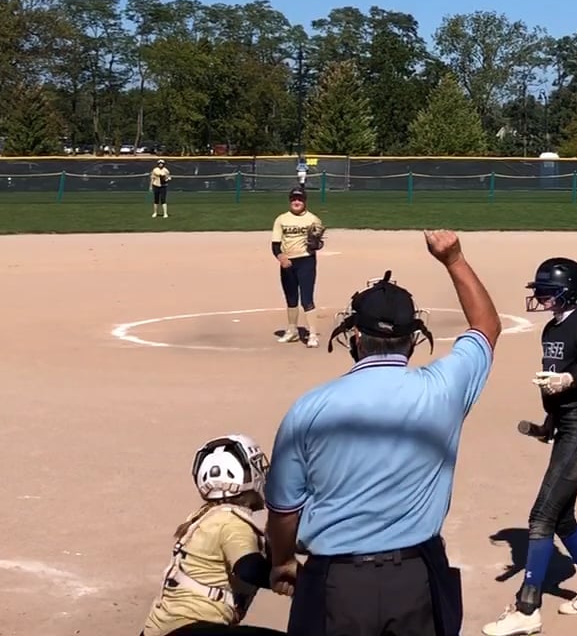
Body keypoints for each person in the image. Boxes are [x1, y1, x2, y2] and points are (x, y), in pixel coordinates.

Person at [263, 230, 501, 636]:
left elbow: (284, 511)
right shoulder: (442, 389)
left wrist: (282, 561)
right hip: (416, 580)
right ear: (413, 339)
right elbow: (486, 327)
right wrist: (454, 259)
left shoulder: (309, 408)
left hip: (335, 584)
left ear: (355, 336)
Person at [483, 258, 577, 636]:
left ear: (568, 293)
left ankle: (527, 610)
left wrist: (569, 380)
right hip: (567, 427)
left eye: (548, 292)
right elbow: (554, 385)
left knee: (541, 516)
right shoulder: (551, 329)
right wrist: (549, 423)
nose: (541, 297)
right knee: (562, 518)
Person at [139, 435, 289, 636]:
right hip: (190, 627)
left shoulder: (206, 516)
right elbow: (248, 568)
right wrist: (286, 576)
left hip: (163, 628)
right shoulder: (232, 523)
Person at [271, 186, 327, 348]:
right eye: (294, 199)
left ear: (305, 201)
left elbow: (317, 244)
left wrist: (316, 244)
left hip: (306, 261)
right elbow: (275, 244)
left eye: (300, 199)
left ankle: (313, 334)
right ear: (290, 201)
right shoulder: (281, 219)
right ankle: (292, 331)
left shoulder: (313, 219)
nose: (296, 202)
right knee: (291, 298)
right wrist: (281, 257)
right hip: (287, 262)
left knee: (307, 299)